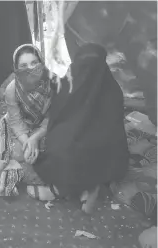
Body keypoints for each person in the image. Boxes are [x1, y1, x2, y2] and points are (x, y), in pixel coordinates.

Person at [33, 43, 130, 213]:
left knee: (60, 148)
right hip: (107, 160)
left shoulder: (71, 83)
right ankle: (93, 186)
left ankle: (60, 190)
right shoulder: (113, 90)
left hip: (81, 154)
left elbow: (56, 118)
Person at [1, 44, 58, 200]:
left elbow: (54, 116)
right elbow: (15, 121)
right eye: (23, 66)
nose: (30, 68)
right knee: (20, 152)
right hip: (22, 129)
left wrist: (35, 138)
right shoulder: (12, 89)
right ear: (16, 68)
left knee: (58, 148)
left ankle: (18, 170)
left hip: (46, 128)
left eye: (34, 62)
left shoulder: (53, 83)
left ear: (41, 62)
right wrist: (27, 142)